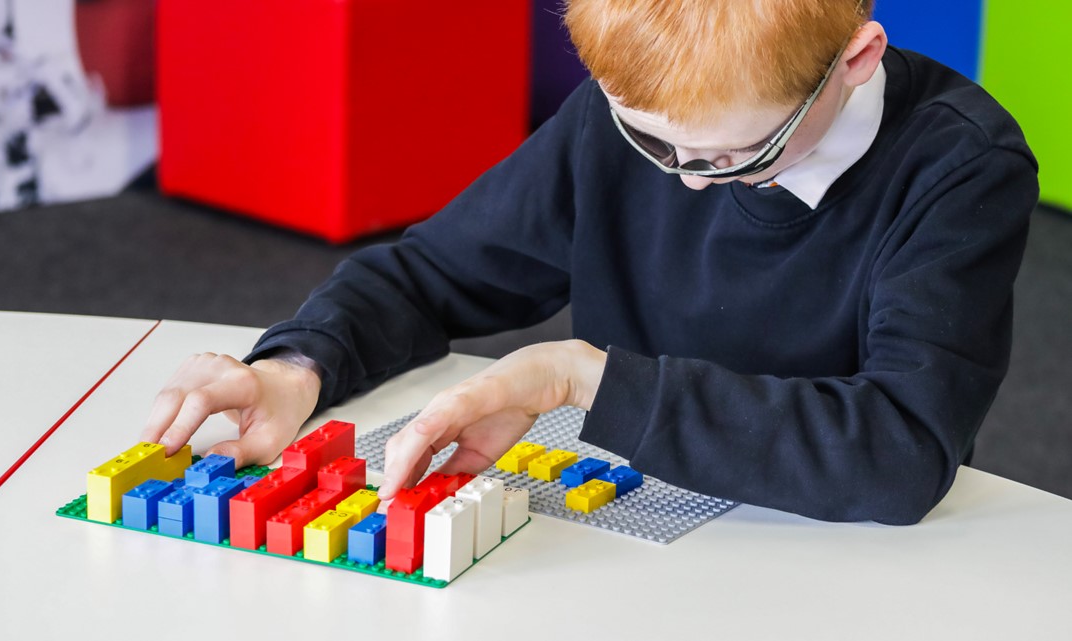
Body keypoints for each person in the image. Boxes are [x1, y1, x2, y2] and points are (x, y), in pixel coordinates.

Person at [141, 0, 1038, 525]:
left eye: (731, 158)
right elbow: (430, 272)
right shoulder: (627, 121)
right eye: (648, 141)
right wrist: (301, 364)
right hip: (621, 512)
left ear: (855, 59)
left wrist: (585, 377)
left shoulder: (961, 169)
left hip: (835, 542)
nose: (684, 187)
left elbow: (902, 448)